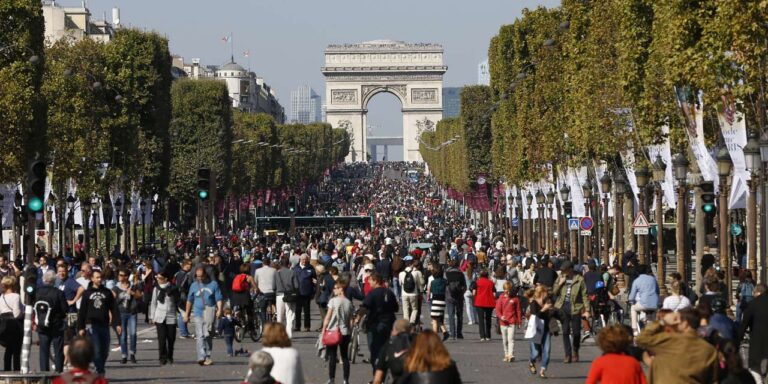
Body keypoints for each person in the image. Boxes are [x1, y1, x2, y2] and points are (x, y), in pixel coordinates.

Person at [635, 307, 718, 383]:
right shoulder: (709, 349)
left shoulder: (670, 341)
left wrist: (662, 321)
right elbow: (713, 379)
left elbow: (641, 339)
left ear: (685, 324)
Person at [77, 269, 121, 376]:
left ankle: (99, 367)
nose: (99, 279)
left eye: (100, 277)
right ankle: (100, 371)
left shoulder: (107, 292)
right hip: (91, 325)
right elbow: (82, 311)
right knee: (96, 350)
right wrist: (81, 327)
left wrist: (118, 323)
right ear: (92, 278)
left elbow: (114, 309)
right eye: (97, 277)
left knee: (105, 351)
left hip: (104, 325)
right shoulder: (87, 293)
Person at [357, 272, 398, 373]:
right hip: (388, 324)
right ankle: (383, 373)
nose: (369, 282)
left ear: (376, 281)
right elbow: (396, 308)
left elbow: (364, 307)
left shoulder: (373, 293)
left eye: (370, 280)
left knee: (374, 349)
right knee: (385, 348)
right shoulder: (389, 292)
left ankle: (377, 373)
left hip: (375, 324)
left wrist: (358, 318)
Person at [183, 265, 223, 366]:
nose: (199, 278)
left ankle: (208, 356)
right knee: (200, 335)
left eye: (201, 276)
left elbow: (218, 298)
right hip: (198, 312)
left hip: (209, 312)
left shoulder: (213, 284)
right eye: (197, 276)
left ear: (206, 275)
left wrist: (220, 310)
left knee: (208, 334)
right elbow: (189, 300)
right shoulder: (193, 285)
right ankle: (201, 356)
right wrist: (186, 314)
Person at [553, 260, 591, 363]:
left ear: (570, 270)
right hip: (563, 307)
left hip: (576, 308)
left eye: (564, 270)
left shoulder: (579, 279)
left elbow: (584, 295)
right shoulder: (561, 277)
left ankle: (575, 350)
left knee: (576, 332)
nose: (563, 272)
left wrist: (587, 310)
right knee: (565, 331)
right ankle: (567, 354)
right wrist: (560, 283)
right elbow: (554, 291)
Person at [36, 270, 68, 372]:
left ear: (44, 279)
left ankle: (44, 373)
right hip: (56, 324)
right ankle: (58, 372)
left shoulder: (37, 292)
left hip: (42, 324)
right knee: (58, 350)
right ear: (54, 280)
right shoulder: (58, 293)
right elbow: (65, 309)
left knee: (43, 351)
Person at [321, 278, 352, 384]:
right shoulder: (349, 303)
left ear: (340, 289)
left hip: (333, 331)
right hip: (345, 332)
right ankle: (345, 379)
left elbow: (328, 317)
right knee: (345, 357)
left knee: (333, 356)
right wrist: (350, 332)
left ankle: (332, 378)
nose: (333, 291)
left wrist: (323, 329)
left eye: (335, 289)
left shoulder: (333, 301)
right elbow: (350, 321)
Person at [112, 268, 142, 364]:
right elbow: (112, 302)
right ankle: (124, 355)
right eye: (119, 275)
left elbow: (139, 296)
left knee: (133, 334)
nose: (120, 277)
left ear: (126, 276)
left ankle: (132, 353)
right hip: (121, 313)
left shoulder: (132, 285)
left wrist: (132, 293)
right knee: (123, 335)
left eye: (122, 275)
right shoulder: (115, 288)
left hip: (132, 313)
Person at [149, 270, 179, 365]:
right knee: (161, 339)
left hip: (171, 316)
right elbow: (153, 303)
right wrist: (152, 316)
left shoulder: (173, 288)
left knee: (171, 339)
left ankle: (170, 356)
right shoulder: (156, 289)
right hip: (160, 316)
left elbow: (177, 302)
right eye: (157, 278)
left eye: (160, 278)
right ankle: (162, 357)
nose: (158, 280)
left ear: (166, 279)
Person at [738, 283, 768, 374]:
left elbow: (744, 325)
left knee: (757, 374)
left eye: (754, 293)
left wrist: (737, 340)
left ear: (758, 292)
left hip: (759, 347)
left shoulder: (753, 304)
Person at [373, 319, 412, 384]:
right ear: (410, 331)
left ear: (394, 330)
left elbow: (377, 379)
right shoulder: (418, 344)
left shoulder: (388, 346)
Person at [527, 284, 553, 378]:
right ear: (542, 293)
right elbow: (535, 315)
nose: (547, 294)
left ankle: (542, 370)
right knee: (536, 352)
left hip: (546, 329)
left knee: (547, 350)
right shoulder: (533, 303)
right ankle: (531, 361)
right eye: (545, 292)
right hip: (535, 330)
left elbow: (553, 314)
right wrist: (544, 309)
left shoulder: (548, 301)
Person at [628, 264, 659, 335]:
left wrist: (631, 301)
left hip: (643, 303)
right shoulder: (653, 279)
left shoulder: (637, 281)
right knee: (652, 314)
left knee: (633, 308)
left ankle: (634, 329)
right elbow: (658, 291)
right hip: (655, 304)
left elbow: (631, 296)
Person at [0, 275, 23, 371]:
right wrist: (23, 312)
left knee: (8, 350)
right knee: (16, 351)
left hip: (3, 325)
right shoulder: (16, 296)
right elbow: (16, 314)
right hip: (14, 325)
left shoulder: (1, 297)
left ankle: (7, 370)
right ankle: (17, 371)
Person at [495, 281, 522, 362]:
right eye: (505, 289)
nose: (506, 291)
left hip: (512, 322)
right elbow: (497, 310)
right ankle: (506, 354)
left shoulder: (515, 299)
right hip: (503, 322)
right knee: (505, 340)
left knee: (511, 339)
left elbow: (518, 311)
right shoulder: (501, 298)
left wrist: (519, 322)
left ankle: (511, 355)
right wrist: (501, 317)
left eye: (508, 289)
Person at [292, 255, 316, 332]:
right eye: (302, 259)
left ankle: (307, 326)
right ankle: (297, 326)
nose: (304, 261)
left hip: (307, 292)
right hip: (298, 292)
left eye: (305, 259)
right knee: (297, 311)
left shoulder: (311, 268)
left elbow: (314, 280)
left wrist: (313, 292)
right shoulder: (295, 268)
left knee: (307, 311)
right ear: (300, 259)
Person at [471, 269, 496, 341]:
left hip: (479, 302)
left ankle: (482, 336)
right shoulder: (491, 283)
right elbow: (494, 293)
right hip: (489, 302)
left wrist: (474, 300)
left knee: (481, 319)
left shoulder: (477, 282)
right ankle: (488, 335)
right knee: (488, 319)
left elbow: (473, 292)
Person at [444, 259, 465, 339]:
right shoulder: (460, 273)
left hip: (449, 296)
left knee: (451, 315)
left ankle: (452, 334)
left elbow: (445, 284)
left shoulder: (446, 273)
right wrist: (462, 293)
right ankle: (459, 333)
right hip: (459, 296)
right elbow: (464, 285)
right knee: (459, 315)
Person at [399, 258, 424, 326]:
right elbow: (420, 283)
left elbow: (400, 284)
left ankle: (406, 323)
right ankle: (412, 322)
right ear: (411, 265)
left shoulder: (401, 273)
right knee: (415, 309)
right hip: (414, 293)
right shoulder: (415, 273)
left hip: (404, 294)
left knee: (405, 309)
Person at [427, 266, 449, 341]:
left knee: (434, 319)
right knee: (439, 318)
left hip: (435, 300)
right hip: (442, 301)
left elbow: (430, 291)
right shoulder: (445, 281)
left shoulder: (433, 282)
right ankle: (445, 332)